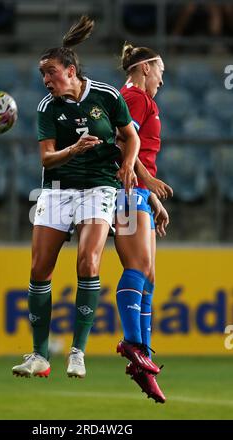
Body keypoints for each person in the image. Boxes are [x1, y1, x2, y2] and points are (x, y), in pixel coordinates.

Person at [12, 16, 140, 379]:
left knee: (88, 262)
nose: (46, 80)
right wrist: (74, 149)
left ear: (71, 70)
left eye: (50, 72)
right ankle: (39, 355)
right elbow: (47, 157)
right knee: (39, 270)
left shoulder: (107, 96)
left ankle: (78, 352)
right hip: (57, 189)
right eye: (42, 74)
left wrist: (128, 165)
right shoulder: (47, 108)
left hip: (100, 187)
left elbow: (131, 137)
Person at [114, 42, 173, 403]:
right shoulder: (135, 97)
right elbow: (123, 141)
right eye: (161, 73)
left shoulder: (135, 97)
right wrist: (146, 183)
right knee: (137, 266)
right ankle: (133, 345)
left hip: (137, 191)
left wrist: (151, 197)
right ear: (146, 68)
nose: (162, 82)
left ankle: (144, 357)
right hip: (125, 189)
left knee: (148, 273)